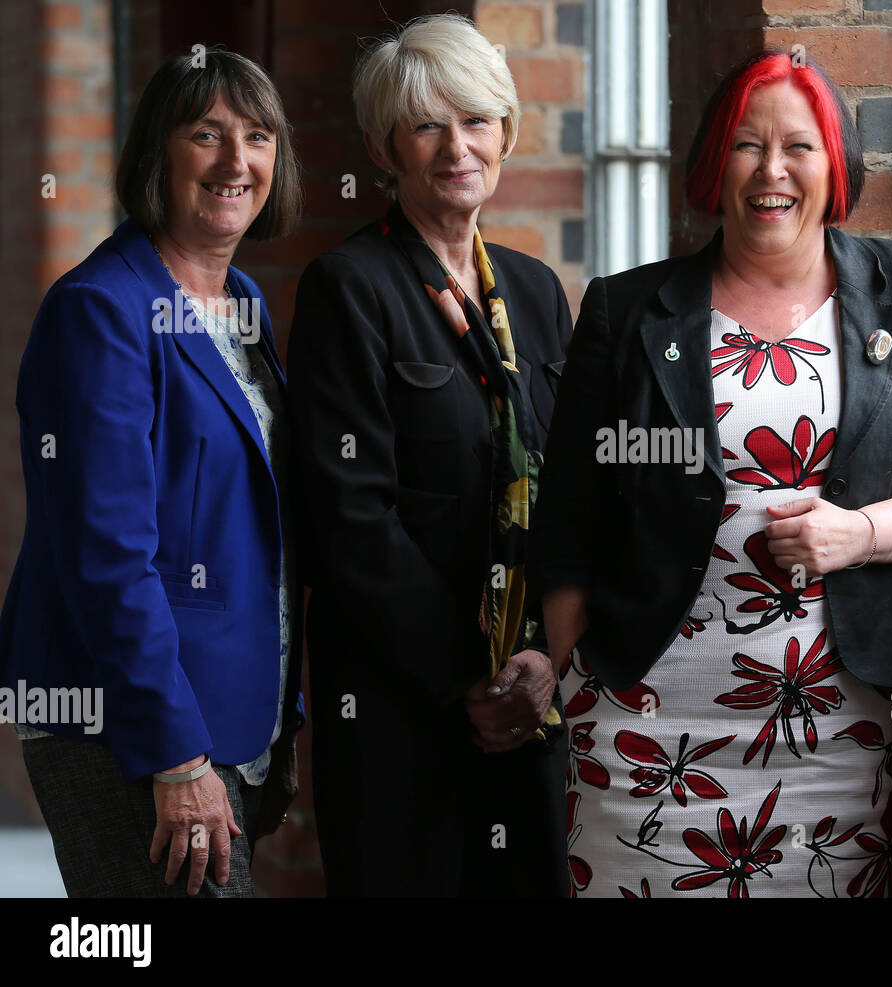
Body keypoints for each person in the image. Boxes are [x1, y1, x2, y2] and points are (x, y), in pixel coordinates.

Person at [531, 51, 892, 898]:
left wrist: (859, 533)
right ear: (716, 162)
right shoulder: (627, 308)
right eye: (747, 145)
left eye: (799, 146)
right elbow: (565, 516)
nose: (771, 170)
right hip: (647, 724)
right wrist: (571, 677)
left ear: (836, 163)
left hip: (847, 730)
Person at [0, 49, 304, 897]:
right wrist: (174, 753)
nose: (235, 161)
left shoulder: (240, 303)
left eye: (257, 136)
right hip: (130, 729)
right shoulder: (101, 309)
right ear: (157, 154)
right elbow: (107, 555)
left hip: (225, 716)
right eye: (205, 134)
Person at [288, 13, 571, 897]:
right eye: (426, 124)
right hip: (399, 712)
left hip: (530, 706)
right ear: (385, 147)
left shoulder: (533, 289)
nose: (458, 145)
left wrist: (542, 664)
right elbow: (349, 518)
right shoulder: (350, 286)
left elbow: (566, 494)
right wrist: (469, 678)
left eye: (478, 120)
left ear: (507, 133)